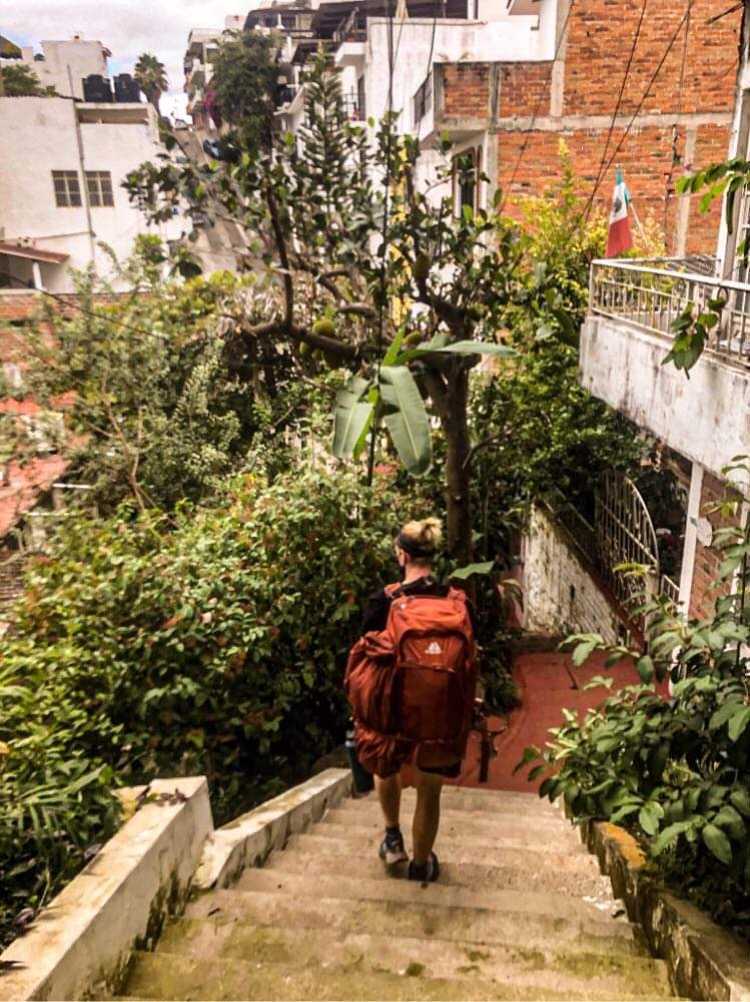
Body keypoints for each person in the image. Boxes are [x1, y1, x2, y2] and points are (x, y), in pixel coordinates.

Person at [358, 517, 477, 883]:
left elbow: (364, 654)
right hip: (437, 711)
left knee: (385, 767)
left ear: (401, 554)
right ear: (432, 556)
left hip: (394, 708)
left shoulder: (385, 600)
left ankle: (393, 837)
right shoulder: (456, 602)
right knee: (430, 788)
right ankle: (421, 866)